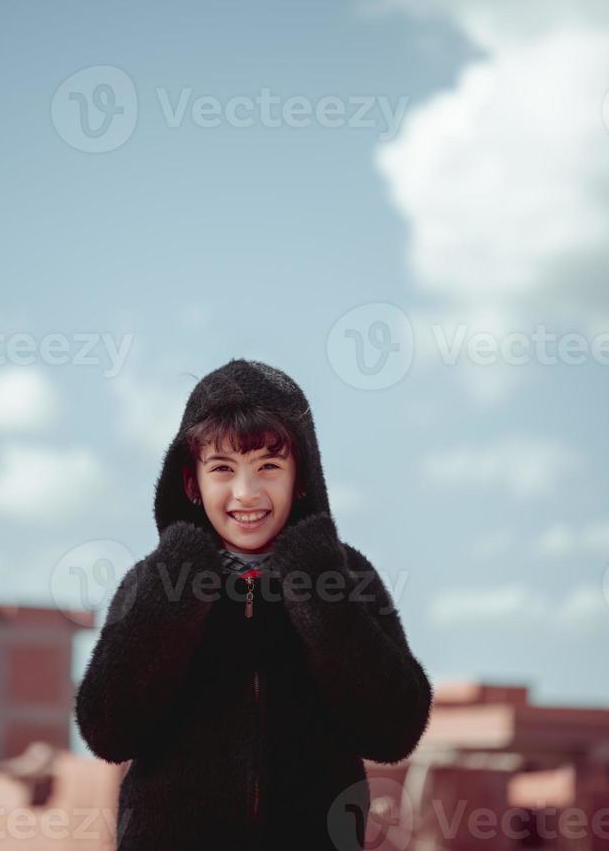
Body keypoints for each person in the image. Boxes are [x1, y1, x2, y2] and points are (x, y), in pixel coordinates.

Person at [74, 358, 433, 851]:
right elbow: (105, 730)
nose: (246, 492)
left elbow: (395, 731)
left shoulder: (344, 576)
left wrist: (315, 586)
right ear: (190, 482)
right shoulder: (156, 579)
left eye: (269, 466)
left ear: (301, 477)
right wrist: (180, 584)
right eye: (223, 468)